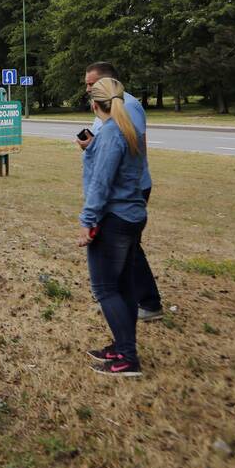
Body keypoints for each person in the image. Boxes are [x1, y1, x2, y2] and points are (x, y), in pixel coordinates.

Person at [77, 62, 164, 321]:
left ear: (107, 82)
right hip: (116, 190)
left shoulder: (129, 106)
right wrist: (92, 145)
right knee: (124, 249)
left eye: (91, 84)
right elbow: (109, 142)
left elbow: (128, 145)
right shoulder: (105, 106)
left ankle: (147, 303)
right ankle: (124, 300)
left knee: (129, 249)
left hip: (128, 189)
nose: (87, 88)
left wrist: (88, 216)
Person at [80, 77, 148, 376]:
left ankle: (128, 358)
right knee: (124, 287)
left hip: (114, 220)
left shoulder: (110, 134)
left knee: (105, 288)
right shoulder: (126, 129)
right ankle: (122, 346)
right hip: (132, 215)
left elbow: (101, 183)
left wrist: (88, 221)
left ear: (95, 104)